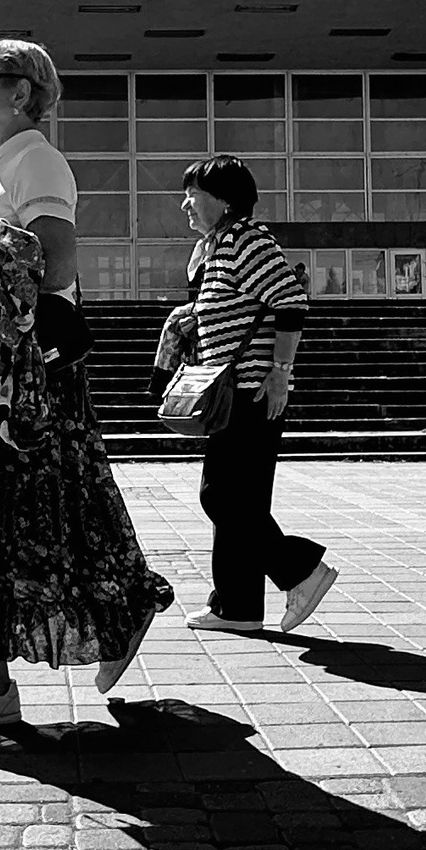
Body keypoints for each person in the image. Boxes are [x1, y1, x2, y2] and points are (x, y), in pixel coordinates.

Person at [0, 37, 171, 730]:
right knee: (49, 514)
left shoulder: (35, 159)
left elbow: (52, 266)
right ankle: (108, 617)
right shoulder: (1, 167)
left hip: (21, 382)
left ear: (19, 92)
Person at [155, 155, 338, 638]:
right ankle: (238, 606)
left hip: (254, 392)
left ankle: (300, 571)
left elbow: (290, 302)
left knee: (223, 497)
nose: (185, 204)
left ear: (224, 199)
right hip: (231, 392)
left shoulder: (247, 241)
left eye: (193, 194)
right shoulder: (217, 248)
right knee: (239, 501)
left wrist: (280, 373)